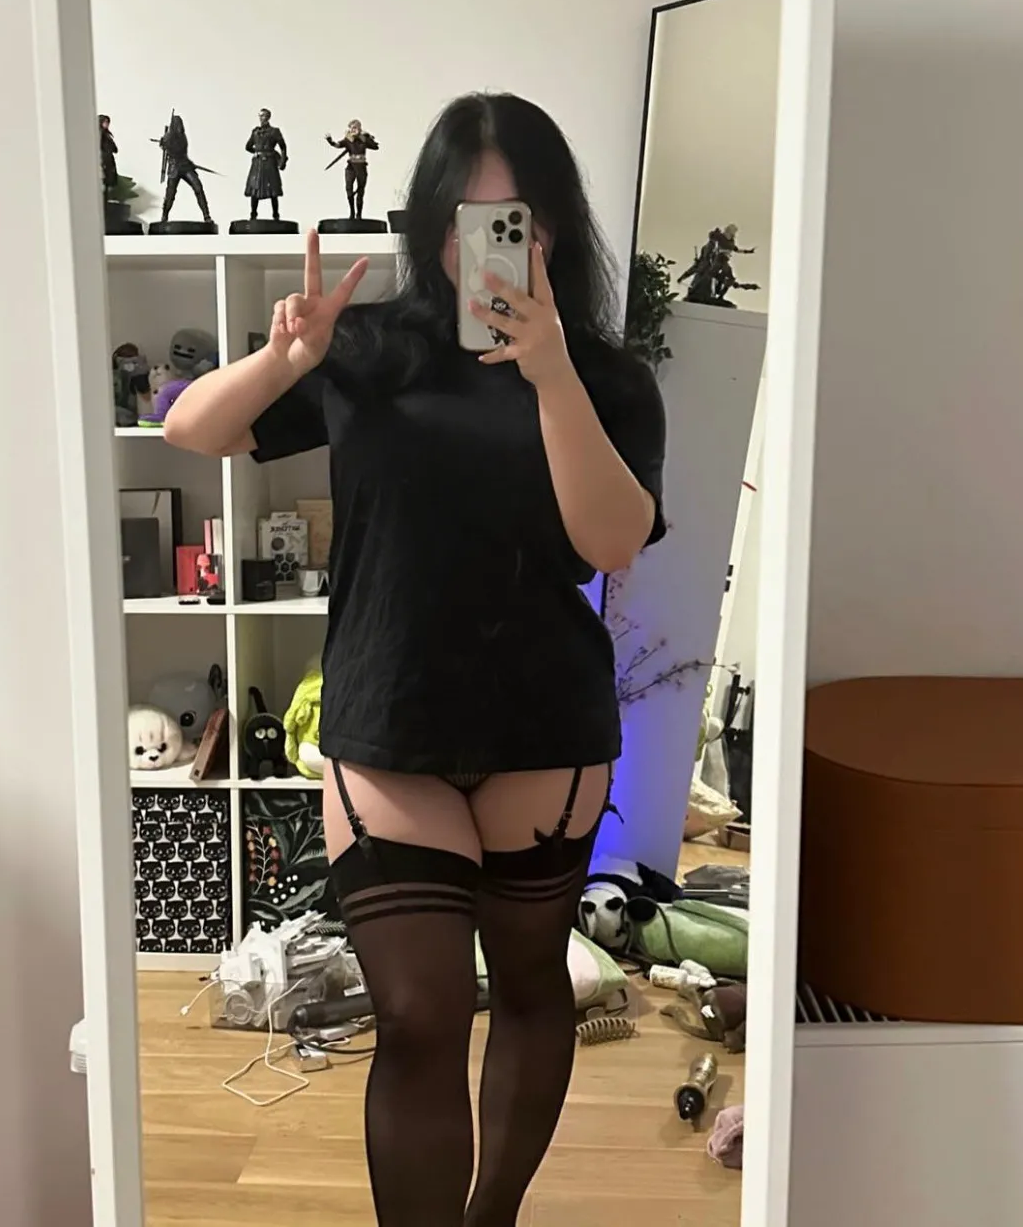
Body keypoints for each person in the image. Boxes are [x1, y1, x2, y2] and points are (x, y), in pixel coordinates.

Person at [165, 92, 666, 1227]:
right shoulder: (366, 348)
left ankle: (494, 1217)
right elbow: (191, 427)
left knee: (530, 986)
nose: (485, 245)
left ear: (553, 228)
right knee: (420, 1014)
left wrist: (551, 375)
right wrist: (284, 357)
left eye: (515, 220)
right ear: (431, 225)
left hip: (543, 726)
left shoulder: (605, 376)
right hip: (389, 718)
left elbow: (612, 542)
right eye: (464, 218)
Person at [325, 118, 379, 219]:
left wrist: (367, 137)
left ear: (359, 128)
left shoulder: (363, 139)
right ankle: (352, 212)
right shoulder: (348, 140)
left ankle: (359, 214)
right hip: (351, 166)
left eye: (355, 128)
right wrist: (330, 141)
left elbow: (375, 147)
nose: (353, 130)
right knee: (348, 188)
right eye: (351, 128)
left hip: (361, 166)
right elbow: (338, 145)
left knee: (360, 191)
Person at [244, 107, 288, 221]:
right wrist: (258, 151)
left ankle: (276, 215)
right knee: (254, 189)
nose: (261, 118)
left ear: (268, 117)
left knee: (273, 190)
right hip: (258, 164)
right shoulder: (255, 132)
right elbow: (248, 147)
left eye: (263, 116)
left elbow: (283, 146)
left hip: (269, 163)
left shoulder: (274, 131)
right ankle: (253, 214)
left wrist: (282, 160)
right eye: (260, 116)